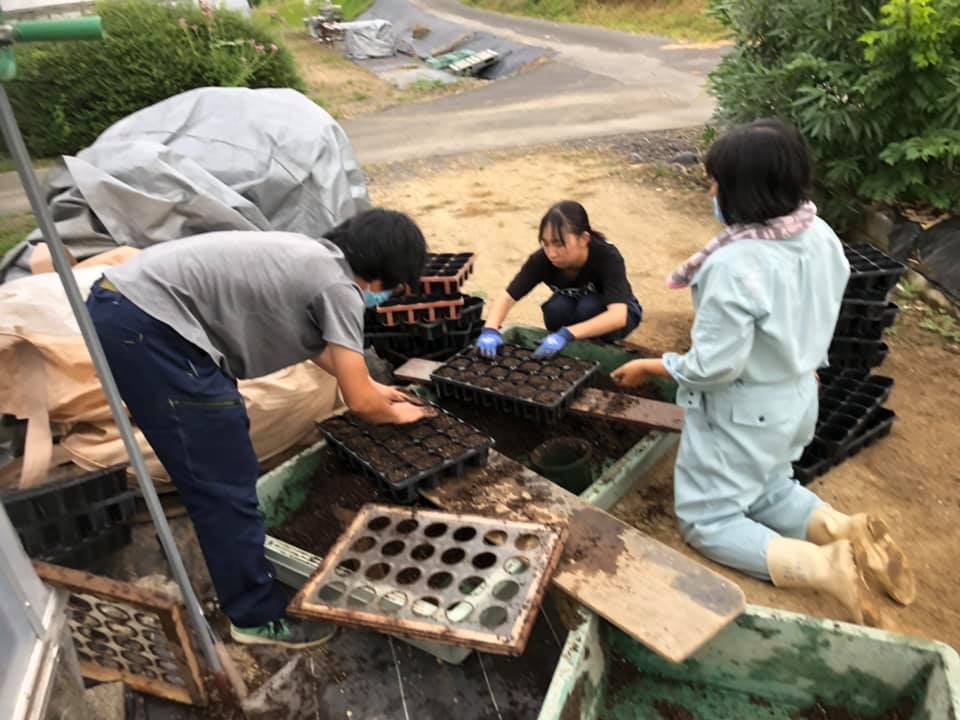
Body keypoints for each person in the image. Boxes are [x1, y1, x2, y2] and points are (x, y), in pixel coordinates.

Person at [611, 119, 915, 626]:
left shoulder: (732, 267)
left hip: (743, 410)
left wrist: (656, 365)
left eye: (717, 183)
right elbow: (827, 309)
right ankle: (846, 528)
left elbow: (714, 367)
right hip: (799, 395)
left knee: (708, 519)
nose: (712, 191)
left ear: (742, 192)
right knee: (770, 485)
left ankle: (822, 565)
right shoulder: (820, 234)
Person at [87, 208, 434, 648]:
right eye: (398, 286)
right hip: (151, 326)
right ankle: (253, 617)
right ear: (384, 274)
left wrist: (371, 385)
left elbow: (323, 351)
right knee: (225, 479)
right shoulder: (340, 287)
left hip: (126, 306)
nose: (391, 296)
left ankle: (238, 575)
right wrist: (399, 412)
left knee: (216, 456)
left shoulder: (317, 257)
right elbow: (360, 404)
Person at [476, 201, 643, 359]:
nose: (552, 253)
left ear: (584, 239)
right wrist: (490, 329)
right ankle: (571, 349)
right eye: (546, 244)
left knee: (589, 306)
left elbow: (618, 316)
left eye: (559, 244)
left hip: (622, 311)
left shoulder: (607, 257)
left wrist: (566, 334)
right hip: (575, 307)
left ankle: (600, 350)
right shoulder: (541, 260)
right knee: (556, 308)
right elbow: (507, 297)